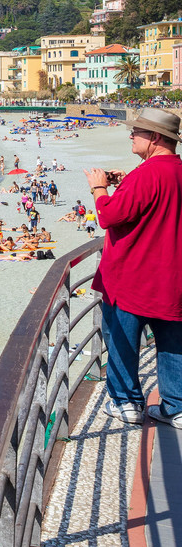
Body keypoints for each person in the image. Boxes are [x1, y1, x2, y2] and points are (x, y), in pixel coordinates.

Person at [85, 109, 182, 427]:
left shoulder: (147, 174)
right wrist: (126, 181)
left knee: (122, 341)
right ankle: (176, 406)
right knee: (172, 344)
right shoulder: (173, 171)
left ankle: (127, 403)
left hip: (132, 278)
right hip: (172, 278)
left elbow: (109, 216)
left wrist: (99, 188)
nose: (131, 136)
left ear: (154, 138)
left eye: (136, 132)